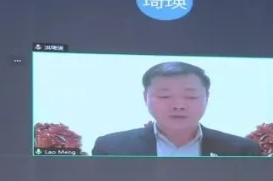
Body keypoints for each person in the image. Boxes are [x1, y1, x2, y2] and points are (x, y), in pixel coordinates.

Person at [91, 62, 262, 157]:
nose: (178, 105)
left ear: (207, 97)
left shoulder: (241, 151)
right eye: (165, 96)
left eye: (190, 96)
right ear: (145, 97)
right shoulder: (111, 148)